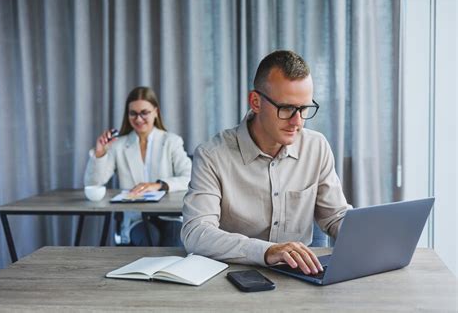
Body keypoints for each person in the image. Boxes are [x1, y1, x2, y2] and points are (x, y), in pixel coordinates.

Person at [181, 50, 352, 275]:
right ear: (255, 102)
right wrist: (267, 251)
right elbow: (196, 232)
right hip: (232, 276)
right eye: (287, 108)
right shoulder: (212, 155)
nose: (297, 122)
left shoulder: (316, 146)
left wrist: (367, 235)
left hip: (301, 276)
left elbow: (335, 217)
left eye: (304, 109)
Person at [84, 86, 191, 246]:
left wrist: (159, 185)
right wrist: (100, 154)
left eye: (144, 113)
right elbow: (93, 184)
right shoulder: (118, 145)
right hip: (136, 218)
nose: (139, 119)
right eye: (133, 113)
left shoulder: (171, 141)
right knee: (150, 239)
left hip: (170, 215)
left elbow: (190, 178)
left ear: (156, 112)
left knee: (174, 241)